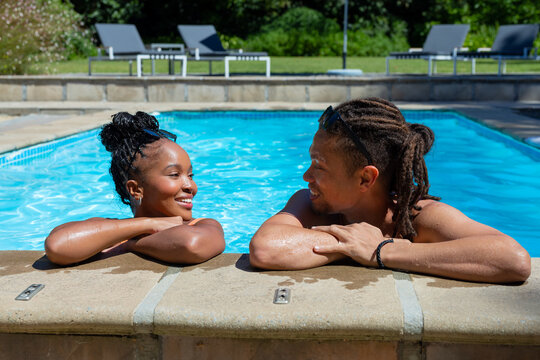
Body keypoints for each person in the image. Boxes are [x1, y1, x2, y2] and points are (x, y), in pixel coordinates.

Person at [249, 97, 531, 283]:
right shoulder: (309, 204)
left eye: (319, 166)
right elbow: (265, 249)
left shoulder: (420, 217)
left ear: (365, 179)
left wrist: (382, 251)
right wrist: (351, 245)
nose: (306, 175)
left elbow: (513, 259)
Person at [45, 112, 225, 266]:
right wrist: (148, 224)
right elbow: (57, 245)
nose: (190, 186)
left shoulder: (203, 225)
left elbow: (192, 245)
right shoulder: (115, 228)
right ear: (136, 190)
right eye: (174, 174)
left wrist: (128, 244)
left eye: (190, 176)